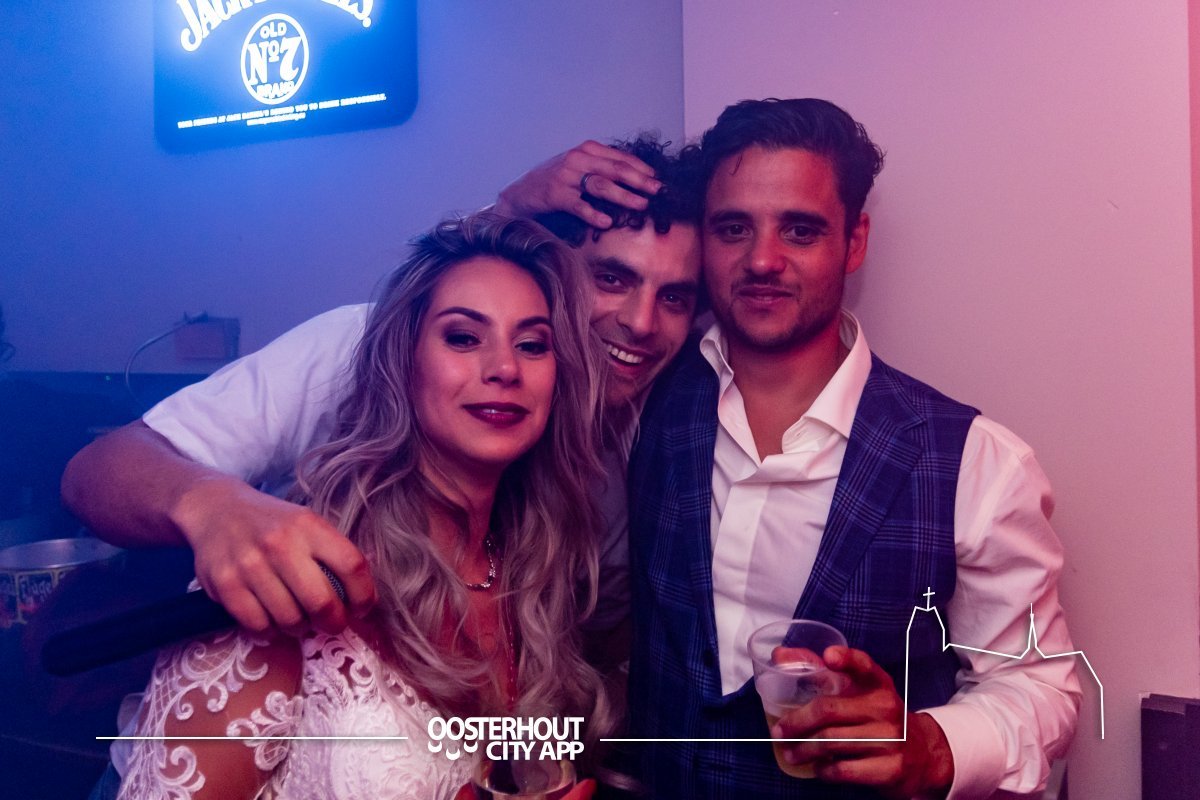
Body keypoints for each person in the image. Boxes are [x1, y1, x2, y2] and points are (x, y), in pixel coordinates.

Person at [61, 135, 703, 638]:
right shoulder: (363, 345)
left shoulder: (648, 439)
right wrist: (211, 506)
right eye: (611, 279)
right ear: (551, 273)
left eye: (675, 297)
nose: (642, 323)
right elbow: (97, 474)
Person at [625, 98, 1081, 798]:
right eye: (733, 228)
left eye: (800, 230)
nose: (762, 259)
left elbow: (1040, 687)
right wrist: (517, 206)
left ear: (855, 240)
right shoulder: (641, 401)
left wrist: (932, 747)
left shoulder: (973, 462)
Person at [115, 213, 611, 799]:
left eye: (532, 345)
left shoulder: (533, 575)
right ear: (402, 362)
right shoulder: (282, 580)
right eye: (462, 337)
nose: (505, 368)